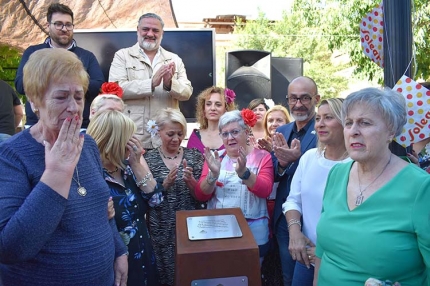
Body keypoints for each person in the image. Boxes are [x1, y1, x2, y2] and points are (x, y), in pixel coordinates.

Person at [0, 48, 127, 285]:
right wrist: (57, 173)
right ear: (35, 100)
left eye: (78, 97)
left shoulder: (87, 144)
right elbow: (10, 248)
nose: (73, 107)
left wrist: (119, 251)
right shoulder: (10, 156)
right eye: (61, 97)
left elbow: (103, 207)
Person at [314, 88, 430, 285]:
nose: (354, 131)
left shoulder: (421, 188)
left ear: (391, 131)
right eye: (349, 123)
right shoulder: (337, 174)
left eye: (365, 123)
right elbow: (323, 252)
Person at [87, 110, 163, 286]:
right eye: (129, 137)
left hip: (144, 256)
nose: (134, 141)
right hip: (115, 262)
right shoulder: (91, 175)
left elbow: (157, 200)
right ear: (113, 140)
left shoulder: (128, 168)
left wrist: (136, 164)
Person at [283, 98, 350, 286]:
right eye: (318, 118)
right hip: (306, 257)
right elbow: (293, 200)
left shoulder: (356, 165)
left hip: (340, 261)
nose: (320, 123)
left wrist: (324, 251)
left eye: (328, 117)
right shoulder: (309, 158)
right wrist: (294, 232)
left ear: (346, 122)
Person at [195, 109, 274, 263]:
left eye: (235, 132)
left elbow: (265, 190)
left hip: (254, 235)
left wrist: (245, 173)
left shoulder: (262, 157)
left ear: (246, 132)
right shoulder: (215, 158)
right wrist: (212, 175)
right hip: (220, 231)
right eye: (224, 134)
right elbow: (201, 195)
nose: (230, 138)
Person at [109, 13, 193, 150]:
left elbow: (187, 92)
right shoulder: (122, 56)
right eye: (145, 29)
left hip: (167, 136)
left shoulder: (174, 59)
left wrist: (170, 84)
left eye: (155, 30)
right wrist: (150, 83)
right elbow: (115, 89)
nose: (150, 33)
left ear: (162, 33)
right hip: (134, 136)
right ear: (138, 30)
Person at [15, 3, 104, 129]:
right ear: (48, 26)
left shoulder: (87, 56)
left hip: (77, 126)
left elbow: (98, 85)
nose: (64, 28)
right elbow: (20, 85)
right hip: (37, 125)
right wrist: (73, 82)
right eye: (58, 24)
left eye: (68, 25)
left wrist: (50, 81)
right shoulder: (32, 52)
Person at [143, 108, 203, 286]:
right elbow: (145, 198)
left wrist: (192, 182)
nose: (176, 139)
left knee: (192, 274)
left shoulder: (194, 156)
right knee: (165, 276)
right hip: (161, 228)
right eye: (170, 134)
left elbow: (202, 196)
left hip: (190, 228)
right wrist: (165, 184)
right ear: (158, 132)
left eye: (180, 133)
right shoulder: (148, 159)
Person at [272, 76, 320, 286]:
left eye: (304, 98)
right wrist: (282, 164)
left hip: (315, 218)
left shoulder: (324, 130)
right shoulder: (282, 130)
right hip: (286, 218)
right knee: (289, 277)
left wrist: (297, 160)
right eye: (293, 98)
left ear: (316, 99)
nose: (298, 104)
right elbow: (274, 173)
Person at [187, 86, 236, 153]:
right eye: (208, 104)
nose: (212, 108)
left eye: (218, 105)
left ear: (226, 109)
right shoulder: (195, 137)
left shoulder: (233, 136)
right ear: (204, 109)